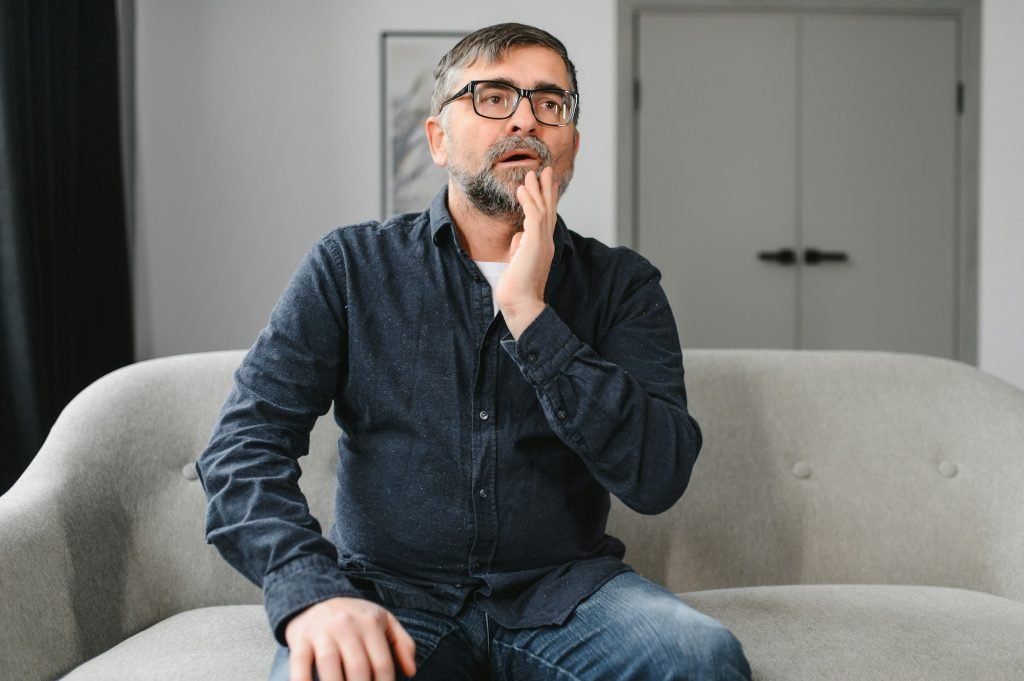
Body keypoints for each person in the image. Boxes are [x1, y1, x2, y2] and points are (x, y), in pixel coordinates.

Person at [197, 22, 752, 681]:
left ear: (570, 144)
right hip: (389, 594)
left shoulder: (623, 284)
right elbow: (242, 448)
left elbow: (658, 476)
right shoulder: (349, 266)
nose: (526, 118)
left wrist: (530, 314)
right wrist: (310, 591)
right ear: (438, 138)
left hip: (567, 595)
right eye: (493, 97)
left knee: (703, 659)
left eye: (551, 103)